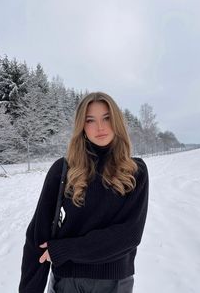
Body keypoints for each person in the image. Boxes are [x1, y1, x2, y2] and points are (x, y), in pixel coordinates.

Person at [18, 92, 149, 293]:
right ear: (82, 126)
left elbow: (129, 235)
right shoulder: (64, 170)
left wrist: (67, 249)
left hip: (115, 283)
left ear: (117, 121)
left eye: (107, 118)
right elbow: (37, 235)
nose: (100, 127)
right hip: (67, 282)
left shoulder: (134, 171)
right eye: (90, 120)